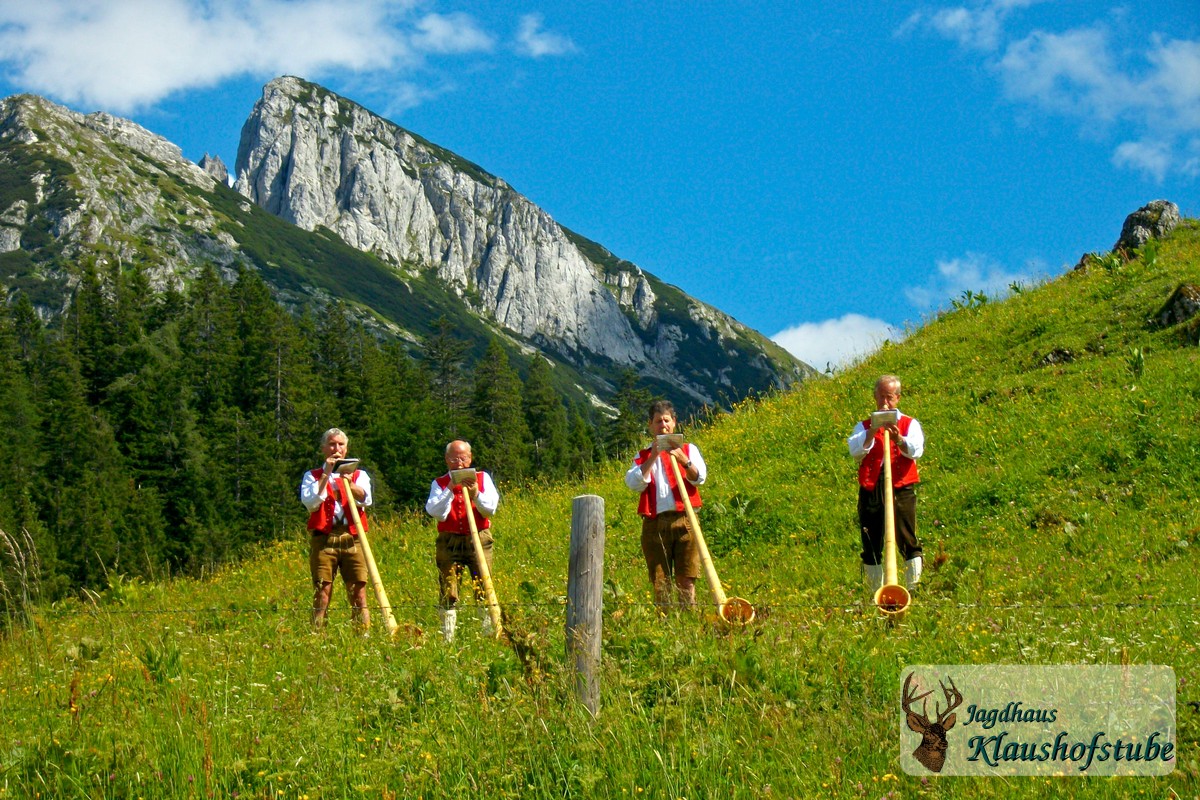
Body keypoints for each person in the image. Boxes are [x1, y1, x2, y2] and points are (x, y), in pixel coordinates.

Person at [624, 399, 708, 612]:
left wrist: (684, 461)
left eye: (666, 420)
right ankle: (665, 622)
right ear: (650, 426)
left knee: (687, 578)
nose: (663, 425)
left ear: (674, 423)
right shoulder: (643, 455)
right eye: (658, 422)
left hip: (685, 520)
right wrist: (652, 457)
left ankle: (688, 620)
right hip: (654, 524)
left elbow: (699, 478)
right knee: (660, 581)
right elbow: (633, 483)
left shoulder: (689, 450)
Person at [847, 374, 925, 593]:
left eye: (889, 398)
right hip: (871, 488)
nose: (884, 403)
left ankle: (912, 591)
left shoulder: (910, 423)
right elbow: (855, 452)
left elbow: (917, 450)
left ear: (897, 398)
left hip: (901, 486)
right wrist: (871, 432)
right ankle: (875, 594)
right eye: (880, 397)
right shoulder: (862, 426)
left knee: (907, 538)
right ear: (874, 397)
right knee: (870, 541)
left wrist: (900, 439)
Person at [425, 440, 500, 642]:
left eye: (463, 457)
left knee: (484, 586)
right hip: (449, 542)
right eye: (454, 458)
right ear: (446, 460)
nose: (459, 462)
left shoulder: (482, 478)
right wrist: (450, 487)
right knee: (448, 588)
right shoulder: (439, 483)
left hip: (479, 539)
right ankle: (448, 638)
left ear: (470, 458)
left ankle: (486, 635)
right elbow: (436, 513)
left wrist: (475, 493)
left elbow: (490, 508)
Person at [299, 427, 374, 631]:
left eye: (341, 444)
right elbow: (311, 503)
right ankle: (317, 633)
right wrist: (326, 475)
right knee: (322, 589)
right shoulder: (312, 476)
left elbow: (366, 499)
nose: (336, 448)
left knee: (358, 588)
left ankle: (362, 635)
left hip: (352, 536)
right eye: (332, 444)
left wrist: (349, 483)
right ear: (324, 448)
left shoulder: (359, 474)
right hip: (324, 537)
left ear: (346, 448)